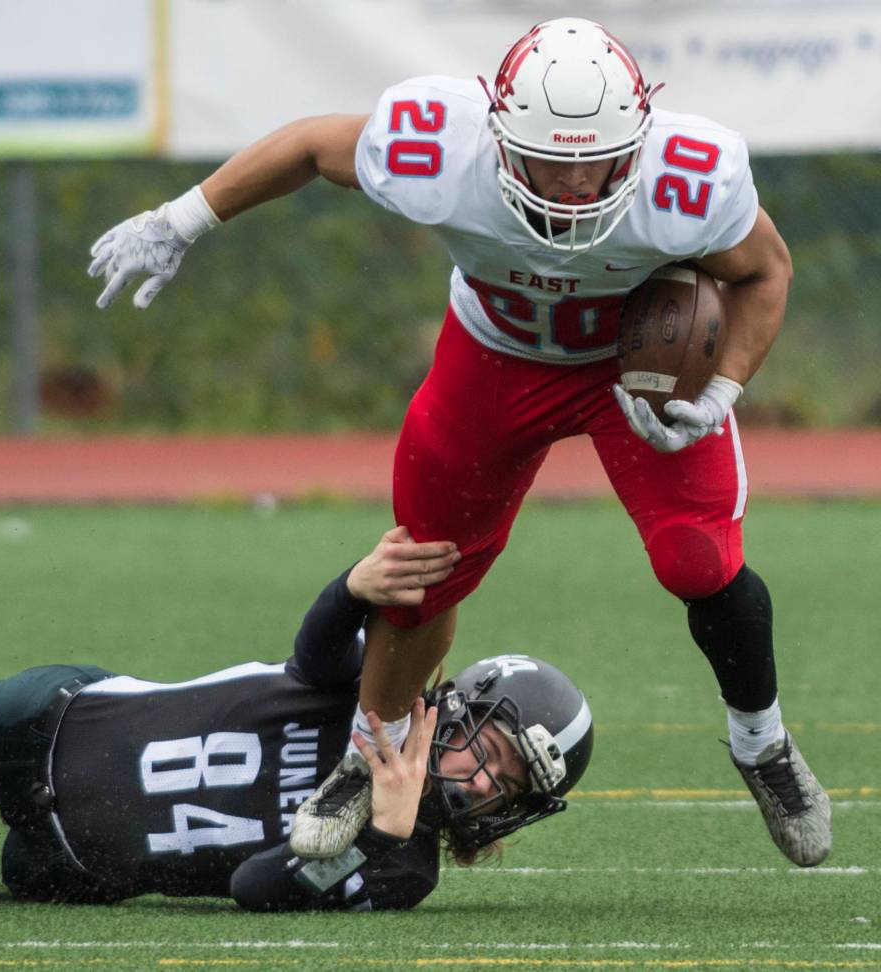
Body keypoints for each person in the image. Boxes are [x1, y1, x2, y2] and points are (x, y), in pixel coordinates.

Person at [86, 17, 830, 867]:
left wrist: (726, 385)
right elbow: (306, 145)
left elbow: (765, 272)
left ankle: (761, 744)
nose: (577, 185)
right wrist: (184, 219)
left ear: (643, 138)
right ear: (497, 132)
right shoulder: (438, 148)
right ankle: (371, 752)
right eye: (552, 159)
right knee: (417, 573)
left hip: (630, 366)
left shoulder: (689, 178)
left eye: (599, 160)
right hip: (496, 355)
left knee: (699, 560)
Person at [0, 527, 593, 911]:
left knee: (12, 878)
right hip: (59, 721)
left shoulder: (404, 872)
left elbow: (254, 887)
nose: (480, 783)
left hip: (73, 867)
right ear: (459, 709)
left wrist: (378, 833)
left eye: (507, 785)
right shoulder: (376, 696)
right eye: (491, 751)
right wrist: (353, 587)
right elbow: (316, 651)